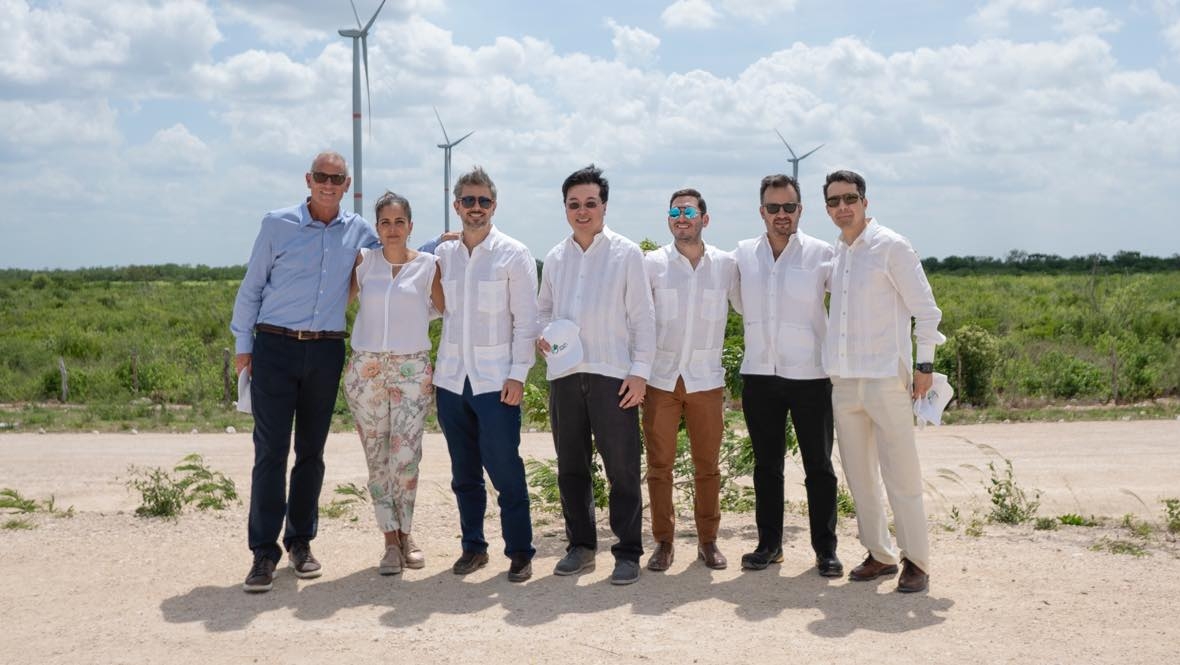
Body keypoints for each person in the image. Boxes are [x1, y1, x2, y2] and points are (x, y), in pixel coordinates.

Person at [231, 151, 379, 593]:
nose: (328, 184)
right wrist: (244, 348)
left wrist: (443, 243)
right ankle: (263, 552)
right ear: (308, 179)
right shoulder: (277, 224)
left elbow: (398, 250)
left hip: (325, 351)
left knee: (311, 453)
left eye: (336, 178)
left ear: (347, 183)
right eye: (321, 176)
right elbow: (252, 286)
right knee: (270, 452)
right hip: (274, 346)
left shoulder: (360, 232)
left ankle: (300, 542)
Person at [821, 169, 945, 593]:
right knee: (858, 475)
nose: (843, 207)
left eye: (849, 198)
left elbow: (926, 312)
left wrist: (924, 367)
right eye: (834, 201)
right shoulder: (837, 253)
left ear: (865, 202)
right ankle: (880, 553)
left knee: (901, 474)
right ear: (827, 207)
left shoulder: (891, 245)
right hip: (844, 380)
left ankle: (917, 561)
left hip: (885, 378)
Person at [537, 164, 655, 586]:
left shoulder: (627, 254)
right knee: (571, 465)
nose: (582, 211)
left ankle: (627, 552)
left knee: (622, 467)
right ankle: (581, 547)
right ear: (565, 208)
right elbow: (543, 312)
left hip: (613, 376)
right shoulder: (554, 257)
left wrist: (639, 374)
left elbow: (643, 318)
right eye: (574, 204)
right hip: (565, 375)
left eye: (590, 203)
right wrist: (543, 337)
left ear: (604, 206)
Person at [433, 167, 540, 583]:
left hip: (496, 382)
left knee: (505, 469)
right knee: (464, 473)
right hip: (450, 380)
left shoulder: (514, 253)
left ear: (494, 205)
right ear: (456, 205)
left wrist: (518, 375)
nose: (476, 208)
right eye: (468, 200)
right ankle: (473, 547)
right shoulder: (442, 255)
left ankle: (520, 552)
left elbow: (526, 321)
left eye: (484, 201)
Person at [733, 174, 842, 577]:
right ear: (761, 211)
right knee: (766, 466)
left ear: (801, 210)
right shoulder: (742, 255)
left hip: (812, 375)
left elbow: (851, 301)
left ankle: (825, 550)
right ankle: (769, 545)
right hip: (760, 374)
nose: (782, 215)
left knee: (819, 466)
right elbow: (731, 298)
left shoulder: (823, 253)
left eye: (789, 207)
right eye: (774, 208)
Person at [341, 191, 443, 577]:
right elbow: (336, 303)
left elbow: (450, 310)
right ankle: (389, 540)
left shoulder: (429, 266)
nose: (393, 229)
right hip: (366, 369)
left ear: (411, 226)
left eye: (400, 222)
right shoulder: (364, 263)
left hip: (412, 370)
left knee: (406, 458)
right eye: (385, 222)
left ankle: (407, 534)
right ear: (377, 227)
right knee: (377, 458)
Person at [641, 188, 738, 572]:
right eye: (675, 211)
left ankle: (708, 542)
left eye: (689, 211)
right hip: (660, 379)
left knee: (707, 466)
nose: (682, 217)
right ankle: (663, 543)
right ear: (668, 219)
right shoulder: (650, 264)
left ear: (704, 218)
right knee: (659, 465)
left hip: (706, 379)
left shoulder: (727, 265)